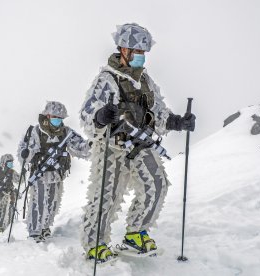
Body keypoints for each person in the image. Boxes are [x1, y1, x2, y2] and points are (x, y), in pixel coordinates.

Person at [79, 23, 196, 262]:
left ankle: (135, 233)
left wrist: (177, 122)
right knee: (107, 196)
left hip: (141, 144)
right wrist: (101, 116)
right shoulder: (106, 80)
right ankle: (95, 244)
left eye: (143, 52)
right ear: (123, 49)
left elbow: (159, 113)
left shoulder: (146, 81)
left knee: (158, 183)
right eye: (136, 51)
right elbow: (87, 115)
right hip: (112, 146)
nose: (140, 56)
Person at [18, 101, 91, 243]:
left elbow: (81, 148)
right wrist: (25, 154)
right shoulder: (35, 132)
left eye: (60, 118)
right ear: (47, 116)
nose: (58, 121)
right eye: (55, 117)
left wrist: (91, 144)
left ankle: (45, 228)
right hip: (39, 174)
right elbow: (23, 156)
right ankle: (34, 232)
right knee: (38, 202)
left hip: (57, 174)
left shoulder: (67, 133)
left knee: (52, 202)